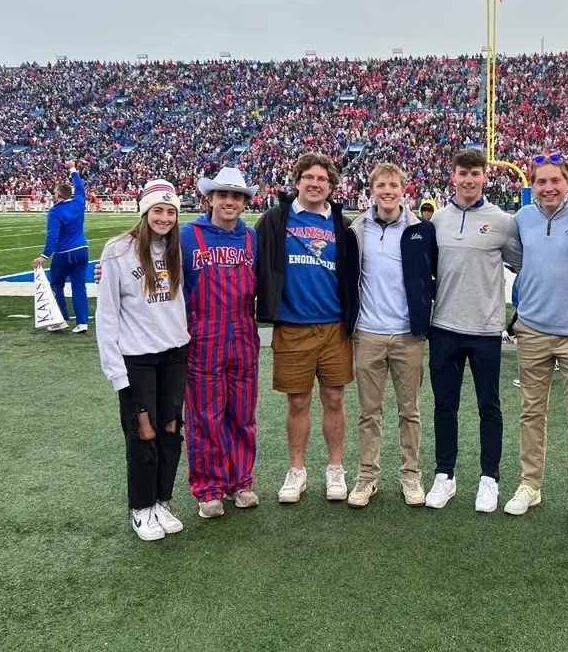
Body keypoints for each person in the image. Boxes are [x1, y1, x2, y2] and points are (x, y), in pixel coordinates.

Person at [501, 154, 568, 528]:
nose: (548, 188)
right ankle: (530, 483)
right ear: (532, 185)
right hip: (532, 329)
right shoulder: (522, 218)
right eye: (541, 182)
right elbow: (518, 262)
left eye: (554, 180)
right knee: (531, 411)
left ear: (567, 181)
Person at [255, 152, 353, 504]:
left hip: (334, 326)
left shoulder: (342, 224)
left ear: (331, 186)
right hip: (292, 325)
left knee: (334, 399)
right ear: (297, 182)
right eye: (309, 177)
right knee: (297, 401)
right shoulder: (275, 219)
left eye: (322, 179)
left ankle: (335, 467)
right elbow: (251, 260)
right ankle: (297, 470)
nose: (315, 183)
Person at [96, 180, 190, 541]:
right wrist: (115, 370)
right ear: (145, 211)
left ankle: (162, 501)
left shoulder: (177, 248)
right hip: (137, 359)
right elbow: (107, 313)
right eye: (158, 210)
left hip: (174, 355)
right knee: (142, 434)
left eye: (171, 212)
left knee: (170, 433)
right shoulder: (117, 250)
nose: (164, 218)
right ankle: (141, 507)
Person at [424, 149, 516, 513]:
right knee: (444, 405)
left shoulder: (502, 221)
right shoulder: (437, 220)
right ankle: (444, 475)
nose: (469, 179)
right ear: (454, 176)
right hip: (444, 326)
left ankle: (489, 478)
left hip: (485, 330)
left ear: (484, 177)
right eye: (463, 173)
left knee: (488, 406)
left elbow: (522, 264)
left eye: (475, 173)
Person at [343, 163, 437, 508]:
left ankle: (410, 474)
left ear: (403, 189)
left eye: (393, 185)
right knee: (369, 412)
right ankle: (367, 475)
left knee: (409, 411)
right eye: (381, 185)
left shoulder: (421, 229)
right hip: (368, 333)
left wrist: (423, 317)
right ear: (372, 190)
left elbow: (436, 273)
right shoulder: (356, 229)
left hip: (407, 334)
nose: (387, 191)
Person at [183, 167, 261, 518]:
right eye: (223, 195)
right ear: (210, 198)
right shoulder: (187, 236)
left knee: (243, 414)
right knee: (205, 416)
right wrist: (110, 266)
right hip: (203, 336)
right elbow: (148, 255)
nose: (229, 201)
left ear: (244, 202)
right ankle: (209, 489)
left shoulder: (252, 237)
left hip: (243, 333)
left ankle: (240, 482)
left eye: (236, 196)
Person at [33, 161, 89, 333]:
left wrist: (44, 255)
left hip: (63, 253)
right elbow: (80, 188)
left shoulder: (55, 211)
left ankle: (61, 318)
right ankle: (82, 322)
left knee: (57, 285)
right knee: (79, 286)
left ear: (58, 195)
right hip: (82, 250)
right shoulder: (78, 203)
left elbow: (52, 236)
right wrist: (73, 169)